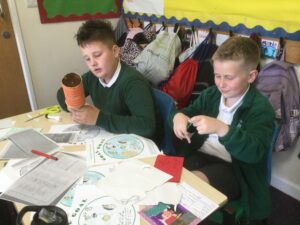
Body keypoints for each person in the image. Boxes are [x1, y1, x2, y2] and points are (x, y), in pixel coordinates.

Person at [169, 36, 275, 224]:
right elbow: (188, 112)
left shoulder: (260, 109)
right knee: (169, 182)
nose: (221, 83)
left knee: (189, 188)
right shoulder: (212, 94)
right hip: (201, 156)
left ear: (251, 76)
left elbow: (254, 152)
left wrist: (222, 129)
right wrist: (179, 116)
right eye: (217, 75)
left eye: (229, 77)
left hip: (235, 169)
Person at [57, 20, 162, 144]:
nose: (93, 63)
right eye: (87, 58)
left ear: (115, 51)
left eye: (97, 55)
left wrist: (99, 118)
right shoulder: (92, 77)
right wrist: (73, 105)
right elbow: (61, 93)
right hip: (111, 138)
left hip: (139, 145)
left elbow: (146, 127)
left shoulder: (133, 82)